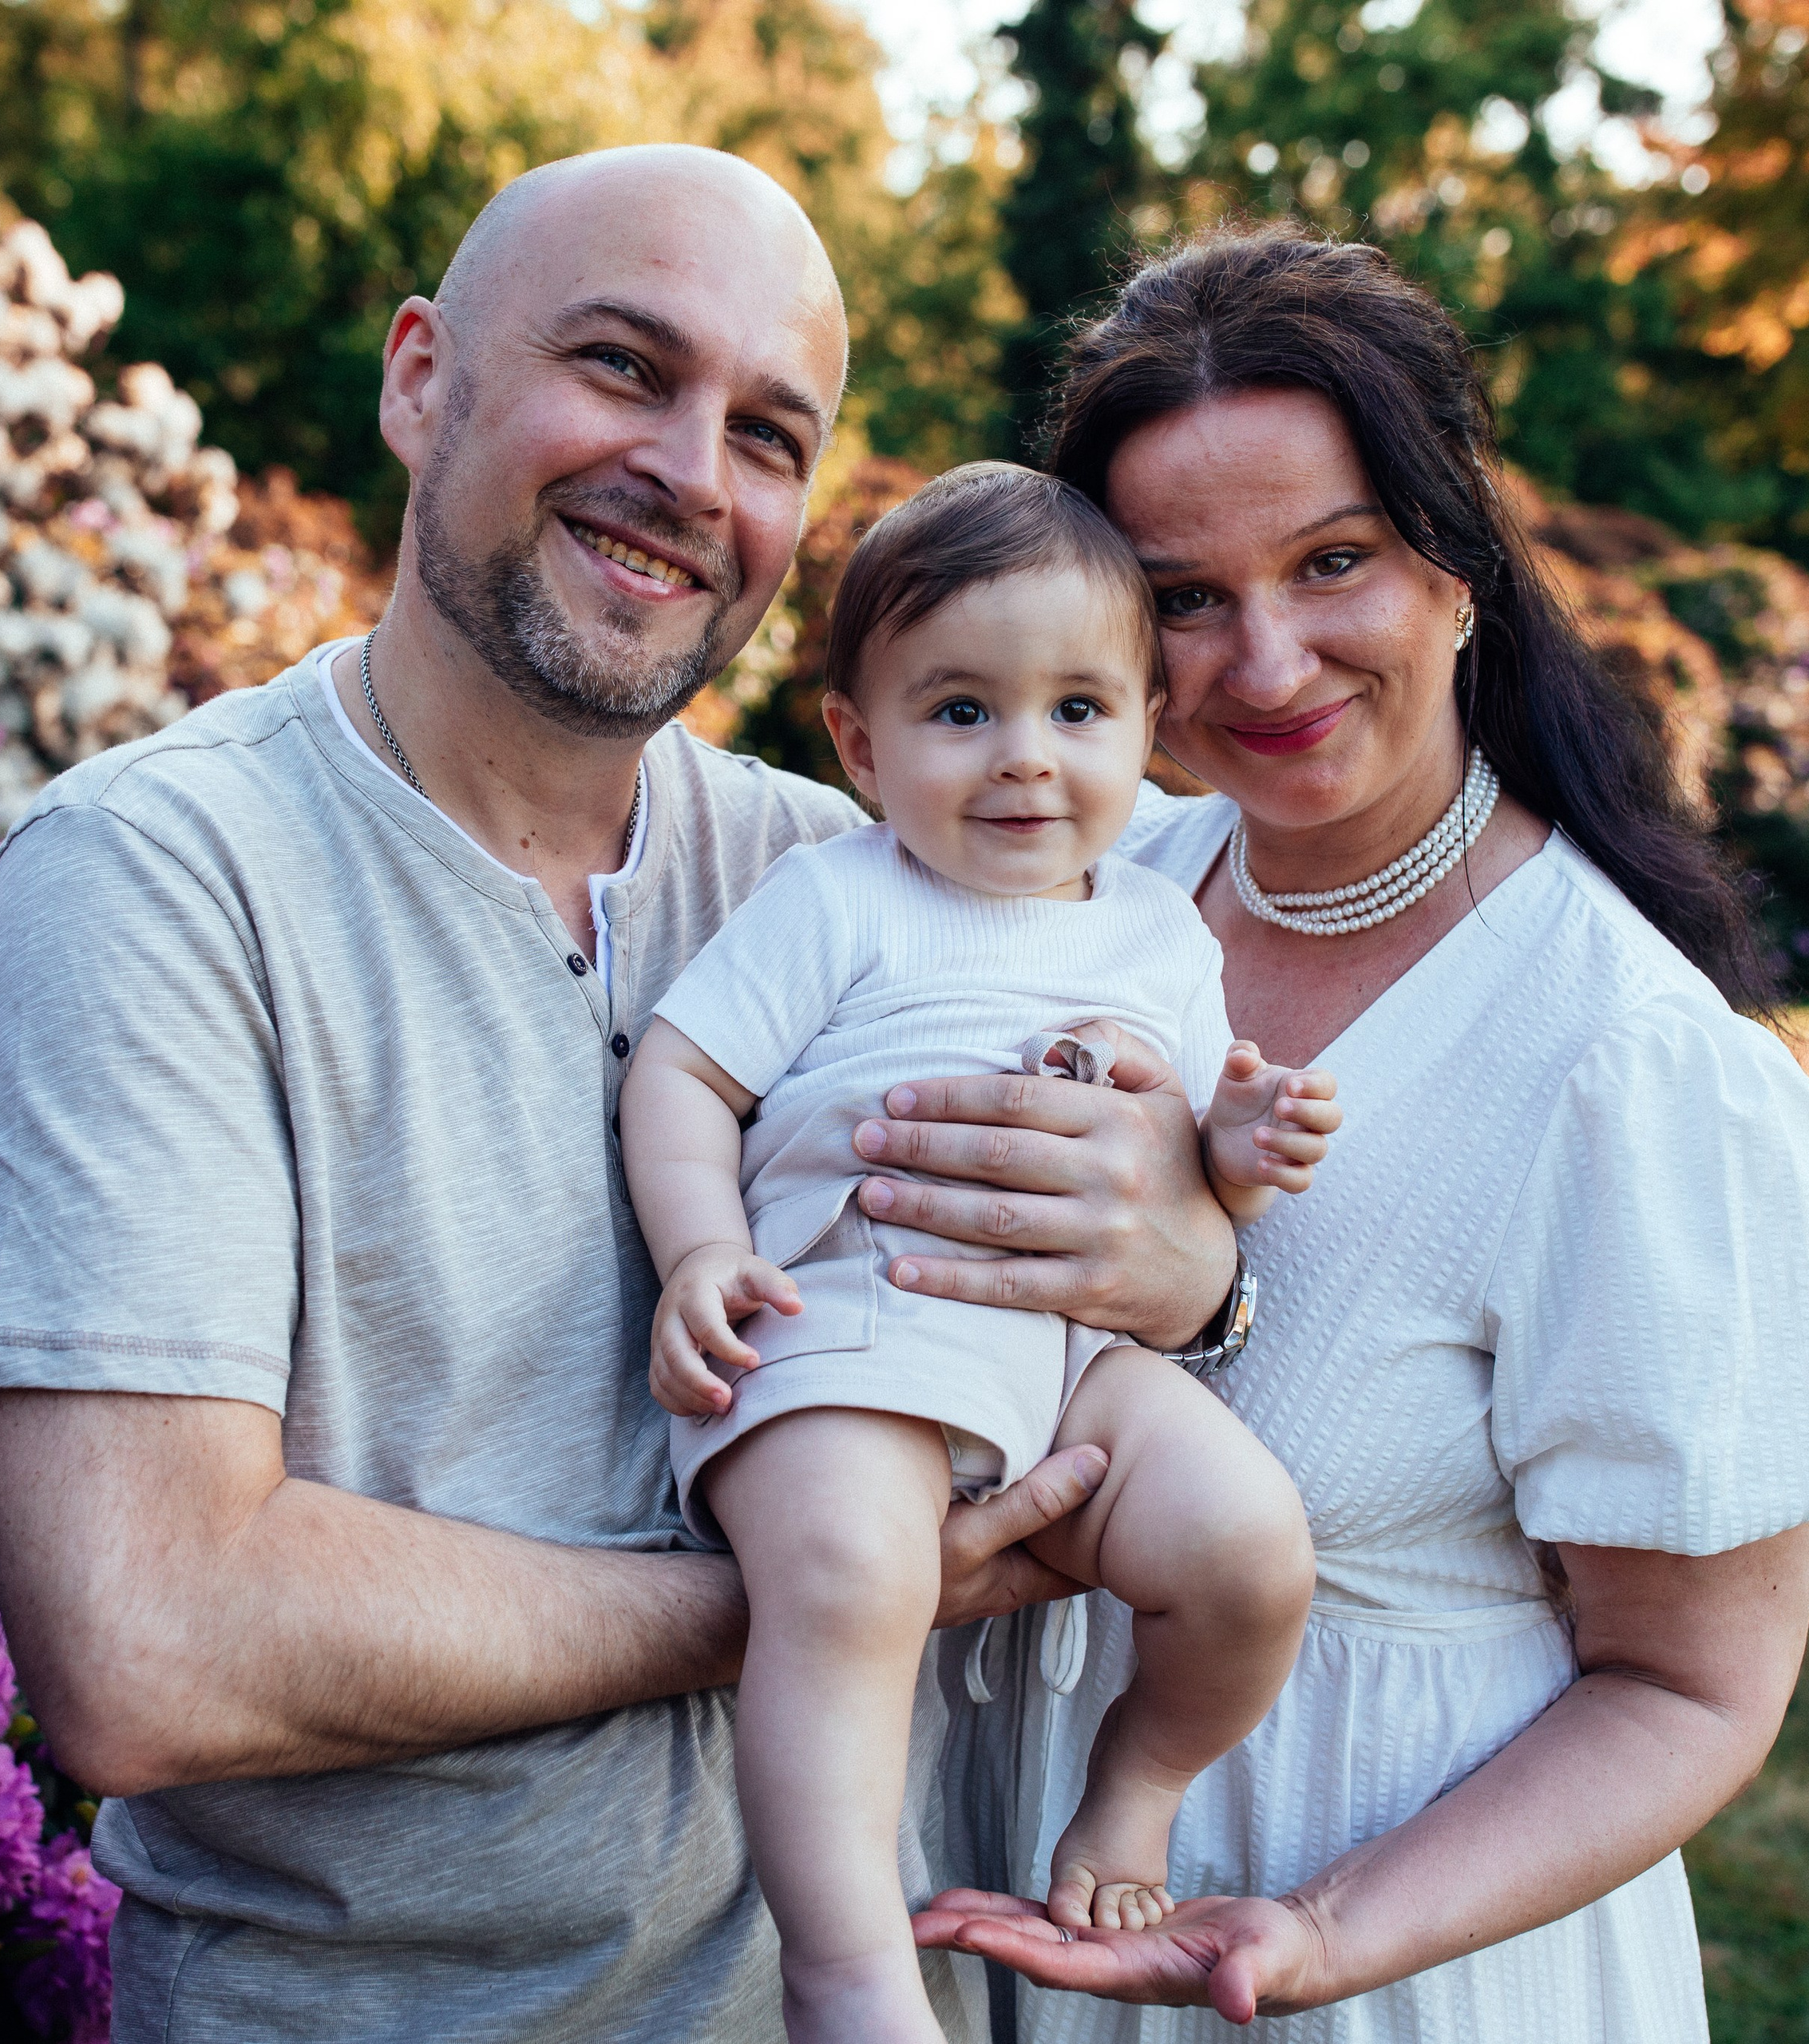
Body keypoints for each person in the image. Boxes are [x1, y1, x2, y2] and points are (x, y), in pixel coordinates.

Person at [0, 147, 1242, 2042]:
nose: (694, 474)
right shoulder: (160, 876)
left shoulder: (855, 871)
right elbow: (152, 1642)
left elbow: (1245, 924)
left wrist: (1194, 1257)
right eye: (623, 367)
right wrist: (840, 1584)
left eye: (768, 434)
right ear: (419, 377)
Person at [916, 224, 1809, 2042]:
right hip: (1022, 1920)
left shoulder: (1618, 1058)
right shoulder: (1087, 902)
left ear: (1454, 569)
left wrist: (1316, 1932)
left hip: (1387, 1974)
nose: (1263, 658)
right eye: (1180, 595)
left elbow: (1689, 1686)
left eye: (1332, 562)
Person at [619, 463, 1336, 2043]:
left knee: (1245, 1543)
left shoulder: (1155, 933)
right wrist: (700, 1249)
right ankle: (846, 1961)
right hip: (849, 1332)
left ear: (1147, 727)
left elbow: (1192, 1170)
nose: (1023, 758)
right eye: (959, 712)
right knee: (848, 1575)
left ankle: (1133, 1784)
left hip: (1073, 1356)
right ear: (860, 745)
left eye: (1077, 708)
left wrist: (1244, 1143)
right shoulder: (839, 897)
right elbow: (682, 1072)